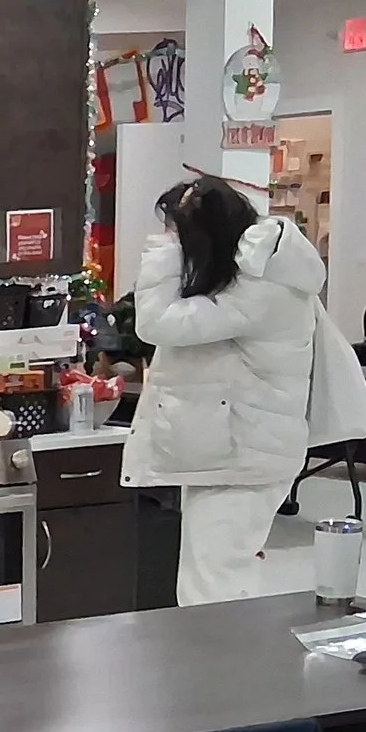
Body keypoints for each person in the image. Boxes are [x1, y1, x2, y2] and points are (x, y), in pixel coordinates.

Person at [122, 173, 329, 604]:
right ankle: (216, 665)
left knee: (215, 583)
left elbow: (157, 322)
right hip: (231, 449)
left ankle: (223, 668)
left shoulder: (264, 284)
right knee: (210, 575)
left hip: (245, 454)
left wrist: (162, 251)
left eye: (178, 233)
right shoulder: (256, 274)